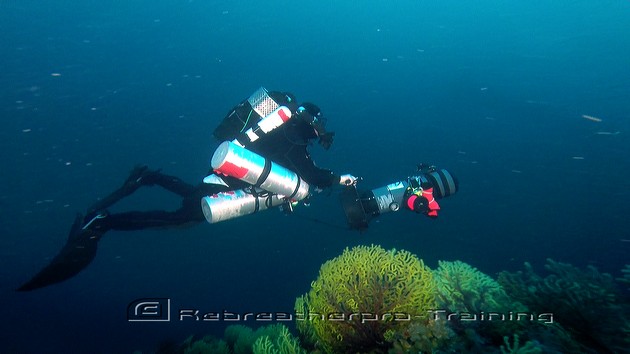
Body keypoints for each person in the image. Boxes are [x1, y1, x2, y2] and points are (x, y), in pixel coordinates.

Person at [18, 88, 358, 291]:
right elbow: (310, 173)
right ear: (307, 122)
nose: (319, 132)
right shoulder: (291, 138)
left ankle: (149, 177)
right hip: (223, 184)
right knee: (178, 220)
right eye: (318, 126)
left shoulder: (279, 133)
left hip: (219, 178)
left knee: (189, 201)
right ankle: (103, 223)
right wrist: (338, 179)